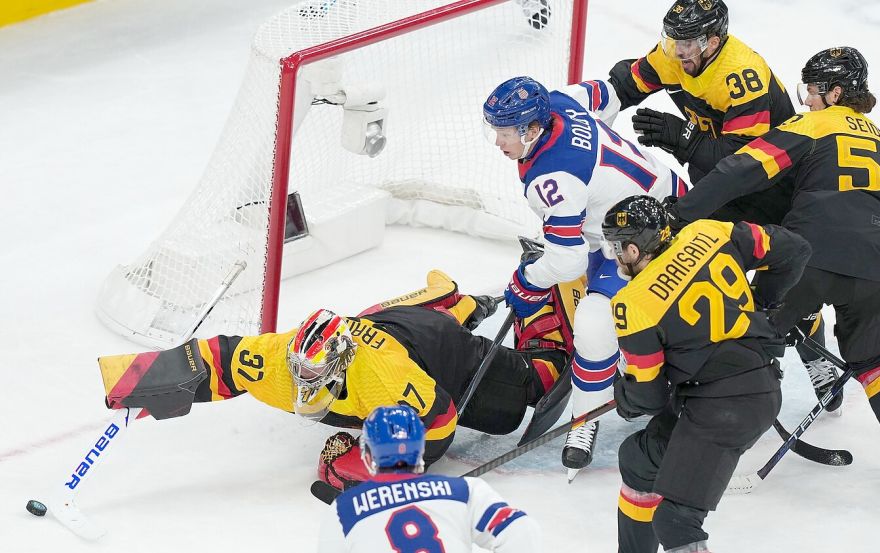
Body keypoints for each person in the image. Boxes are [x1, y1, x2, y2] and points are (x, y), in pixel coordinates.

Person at [664, 46, 880, 514]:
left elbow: (743, 168)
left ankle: (702, 439)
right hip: (879, 274)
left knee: (748, 335)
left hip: (810, 259)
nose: (807, 101)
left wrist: (679, 214)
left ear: (836, 92)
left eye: (814, 91)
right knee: (877, 358)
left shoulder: (816, 125)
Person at [98, 270, 582, 497]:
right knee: (402, 316)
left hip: (436, 354)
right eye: (299, 372)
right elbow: (217, 359)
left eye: (314, 375)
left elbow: (439, 424)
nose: (303, 384)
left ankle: (546, 299)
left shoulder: (384, 382)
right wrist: (138, 380)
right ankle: (450, 297)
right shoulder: (281, 359)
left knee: (519, 398)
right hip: (384, 324)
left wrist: (376, 465)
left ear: (342, 364)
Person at [607, 0, 839, 412]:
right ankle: (718, 354)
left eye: (689, 42)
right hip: (718, 187)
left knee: (782, 274)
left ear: (714, 40)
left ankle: (814, 355)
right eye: (673, 40)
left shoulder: (742, 75)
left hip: (771, 189)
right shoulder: (673, 54)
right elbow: (628, 83)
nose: (678, 51)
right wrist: (589, 105)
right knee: (697, 263)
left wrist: (686, 140)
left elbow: (741, 163)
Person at [484, 75, 687, 479]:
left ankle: (587, 417)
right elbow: (608, 92)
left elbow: (568, 262)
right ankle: (605, 395)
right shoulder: (560, 100)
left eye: (504, 132)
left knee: (595, 323)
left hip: (640, 241)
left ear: (532, 128)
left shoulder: (553, 180)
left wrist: (528, 282)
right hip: (670, 200)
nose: (497, 142)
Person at [602, 195, 810, 553]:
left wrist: (625, 396)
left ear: (634, 250)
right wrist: (762, 307)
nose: (616, 256)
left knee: (675, 522)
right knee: (638, 459)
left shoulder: (633, 303)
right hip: (740, 389)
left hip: (725, 410)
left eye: (617, 247)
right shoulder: (709, 232)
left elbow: (649, 397)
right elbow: (795, 249)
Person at [317, 405, 540, 553]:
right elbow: (521, 529)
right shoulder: (465, 491)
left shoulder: (344, 509)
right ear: (421, 448)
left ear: (367, 455)